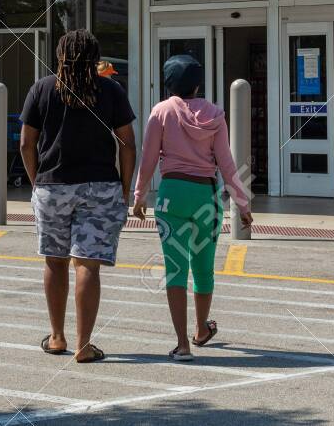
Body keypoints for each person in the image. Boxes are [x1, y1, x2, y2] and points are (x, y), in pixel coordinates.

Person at [20, 29, 136, 364]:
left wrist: (37, 182)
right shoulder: (110, 90)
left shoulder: (41, 89)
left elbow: (27, 143)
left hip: (52, 186)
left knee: (54, 262)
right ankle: (84, 346)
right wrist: (124, 188)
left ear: (59, 56)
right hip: (101, 186)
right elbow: (128, 143)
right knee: (88, 264)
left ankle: (57, 337)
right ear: (95, 58)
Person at [132, 55, 253, 360]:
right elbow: (227, 164)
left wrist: (139, 196)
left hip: (171, 195)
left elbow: (147, 159)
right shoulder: (215, 115)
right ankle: (201, 329)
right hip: (206, 199)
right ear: (198, 84)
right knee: (203, 269)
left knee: (175, 269)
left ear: (168, 83)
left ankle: (182, 344)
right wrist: (242, 204)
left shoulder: (161, 111)